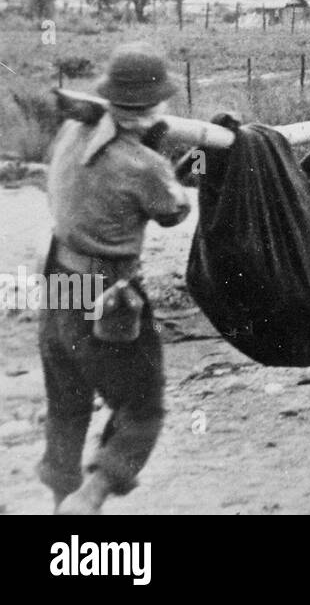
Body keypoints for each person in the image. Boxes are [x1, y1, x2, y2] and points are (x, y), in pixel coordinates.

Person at [39, 43, 191, 514]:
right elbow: (174, 209)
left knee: (67, 405)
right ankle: (90, 497)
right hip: (107, 297)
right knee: (143, 409)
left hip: (61, 284)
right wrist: (157, 154)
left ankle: (62, 501)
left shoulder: (70, 130)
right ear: (154, 104)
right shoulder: (143, 165)